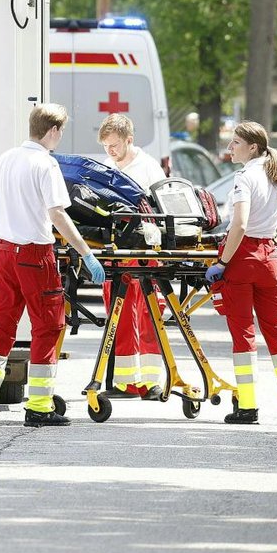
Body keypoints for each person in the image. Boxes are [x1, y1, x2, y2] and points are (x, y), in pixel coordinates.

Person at [0, 103, 106, 428]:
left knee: (2, 326)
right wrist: (85, 252)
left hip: (4, 254)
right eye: (61, 132)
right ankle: (40, 406)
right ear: (53, 130)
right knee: (48, 326)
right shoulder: (45, 164)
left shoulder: (6, 159)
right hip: (34, 255)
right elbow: (58, 214)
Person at [204, 121, 277, 427]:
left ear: (252, 147)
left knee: (244, 335)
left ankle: (248, 407)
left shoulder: (245, 177)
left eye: (234, 142)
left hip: (242, 259)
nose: (229, 148)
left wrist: (222, 263)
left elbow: (238, 226)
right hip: (270, 260)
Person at [97, 113, 168, 398]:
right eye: (105, 146)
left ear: (129, 140)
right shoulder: (106, 166)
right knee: (119, 316)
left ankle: (150, 381)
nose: (110, 151)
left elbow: (162, 211)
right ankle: (125, 381)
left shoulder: (149, 168)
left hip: (143, 251)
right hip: (116, 251)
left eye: (114, 145)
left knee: (148, 315)